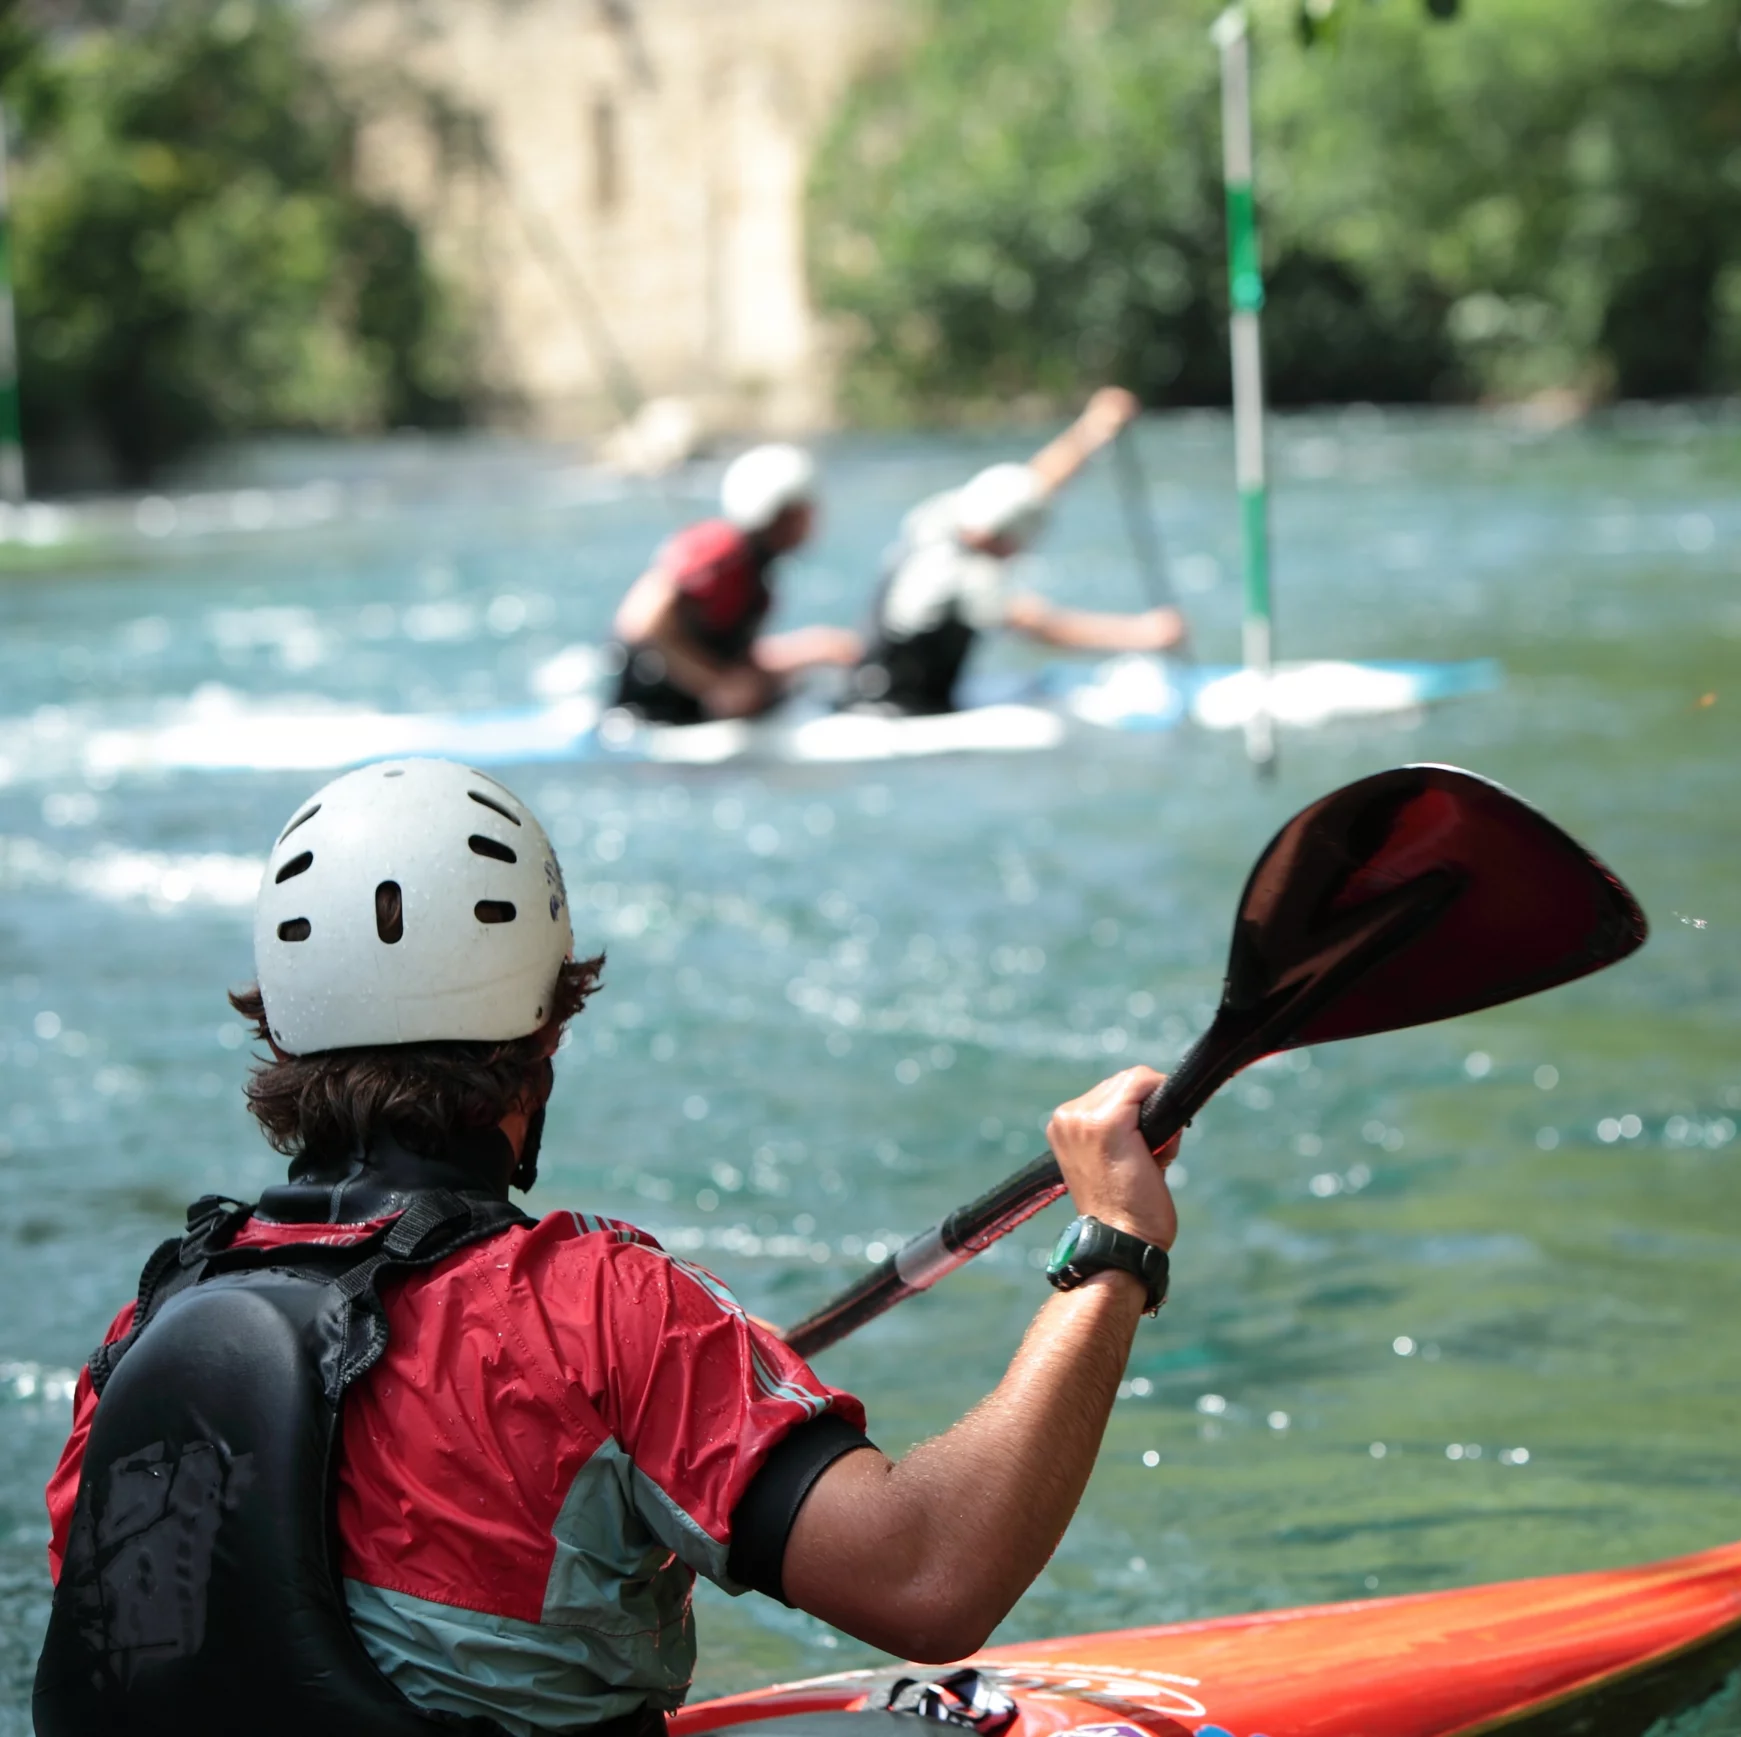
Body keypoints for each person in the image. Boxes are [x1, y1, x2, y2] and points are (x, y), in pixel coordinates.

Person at [36, 758, 1181, 1737]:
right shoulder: (598, 1313)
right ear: (544, 1034)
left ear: (281, 1034)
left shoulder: (140, 1345)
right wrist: (1114, 1245)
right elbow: (930, 1577)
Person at [847, 387, 1187, 715]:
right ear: (1008, 545)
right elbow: (1041, 626)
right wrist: (1143, 634)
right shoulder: (962, 579)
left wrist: (1095, 427)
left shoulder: (946, 514)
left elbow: (1036, 482)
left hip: (875, 677)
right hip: (898, 704)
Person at [610, 444, 863, 724]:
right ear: (786, 514)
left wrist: (815, 648)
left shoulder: (753, 564)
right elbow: (639, 623)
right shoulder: (721, 551)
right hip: (654, 710)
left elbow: (729, 654)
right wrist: (717, 686)